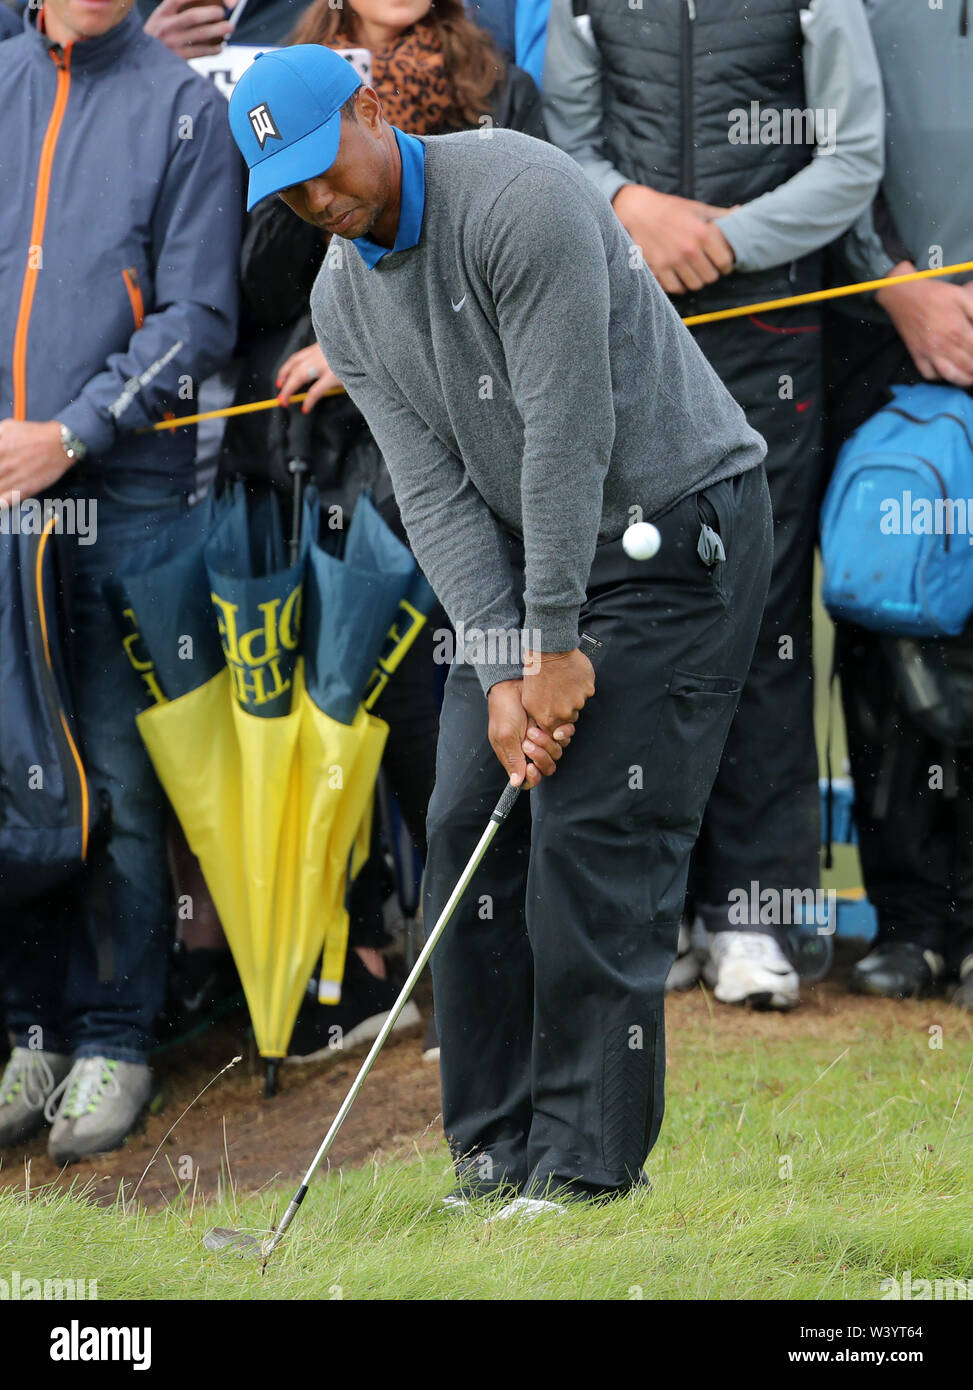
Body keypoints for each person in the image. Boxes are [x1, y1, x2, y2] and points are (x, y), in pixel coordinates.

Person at [228, 45, 771, 1211]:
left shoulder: (516, 196)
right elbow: (430, 491)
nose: (323, 200)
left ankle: (583, 1170)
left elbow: (565, 432)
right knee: (466, 813)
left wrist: (556, 646)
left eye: (327, 165)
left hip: (675, 529)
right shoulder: (339, 295)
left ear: (371, 109)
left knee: (590, 838)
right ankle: (491, 1153)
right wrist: (499, 662)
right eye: (293, 191)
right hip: (537, 559)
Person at [542, 0, 885, 1009]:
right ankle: (660, 914)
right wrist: (627, 209)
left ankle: (757, 914)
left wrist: (724, 241)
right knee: (636, 615)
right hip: (628, 324)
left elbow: (852, 156)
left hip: (769, 334)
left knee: (763, 615)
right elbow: (566, 139)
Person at [221, 0, 545, 1063]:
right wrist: (330, 328)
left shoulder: (497, 93)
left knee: (445, 739)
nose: (322, 195)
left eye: (331, 165)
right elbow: (259, 282)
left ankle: (496, 1000)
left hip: (464, 460)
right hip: (322, 460)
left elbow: (515, 297)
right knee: (354, 724)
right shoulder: (278, 75)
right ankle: (360, 969)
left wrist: (360, 355)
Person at [0, 0, 241, 1160]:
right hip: (0, 497)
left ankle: (116, 1034)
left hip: (127, 498)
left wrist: (72, 432)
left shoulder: (186, 108)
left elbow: (198, 321)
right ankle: (31, 1026)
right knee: (17, 770)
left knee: (119, 779)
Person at [823, 0, 973, 1009]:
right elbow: (812, 135)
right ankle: (912, 918)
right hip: (882, 329)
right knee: (892, 609)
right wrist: (895, 284)